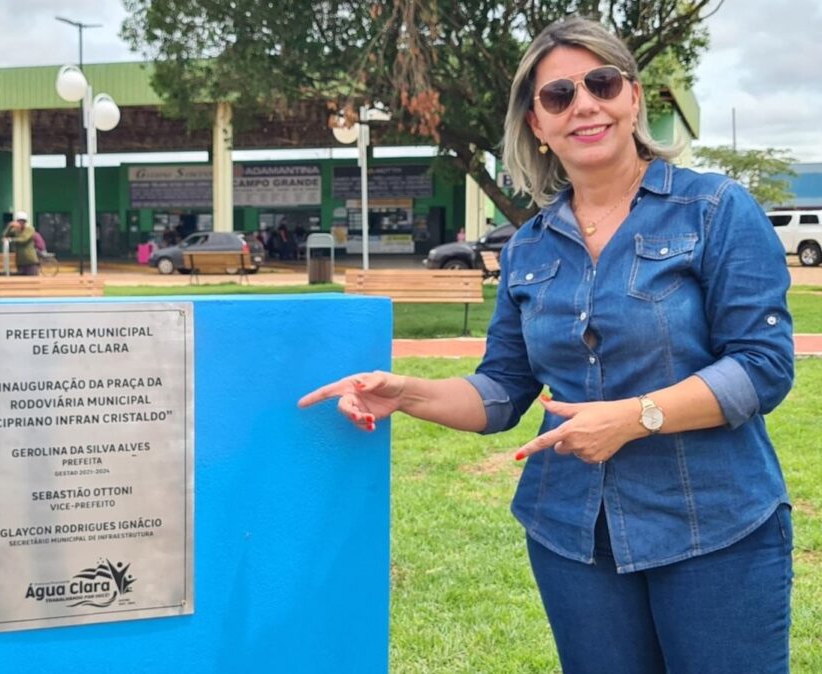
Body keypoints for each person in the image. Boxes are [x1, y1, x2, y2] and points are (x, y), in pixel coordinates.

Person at [299, 16, 794, 674]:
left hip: (716, 529)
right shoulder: (529, 245)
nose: (583, 104)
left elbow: (763, 368)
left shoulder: (716, 210)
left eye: (601, 83)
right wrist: (407, 393)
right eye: (558, 95)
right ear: (537, 123)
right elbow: (502, 389)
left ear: (633, 97)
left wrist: (634, 417)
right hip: (572, 537)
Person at [1, 210, 40, 276]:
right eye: (19, 221)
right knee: (21, 279)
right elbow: (4, 235)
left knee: (32, 280)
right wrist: (9, 226)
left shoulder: (29, 229)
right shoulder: (15, 230)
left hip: (30, 261)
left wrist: (11, 240)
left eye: (23, 221)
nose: (21, 223)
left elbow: (24, 239)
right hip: (20, 261)